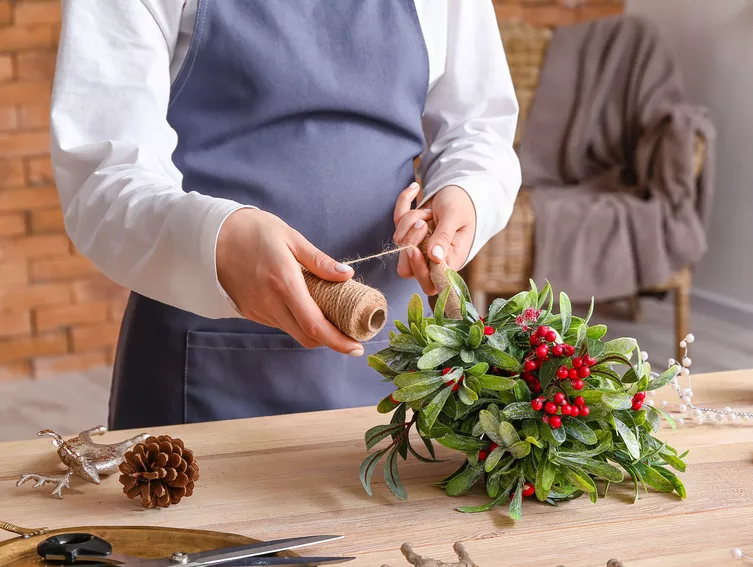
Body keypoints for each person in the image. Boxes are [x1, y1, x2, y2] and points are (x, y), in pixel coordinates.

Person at [50, 1, 520, 430]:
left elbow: (476, 128)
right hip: (204, 370)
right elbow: (103, 174)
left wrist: (466, 190)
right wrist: (217, 240)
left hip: (397, 353)